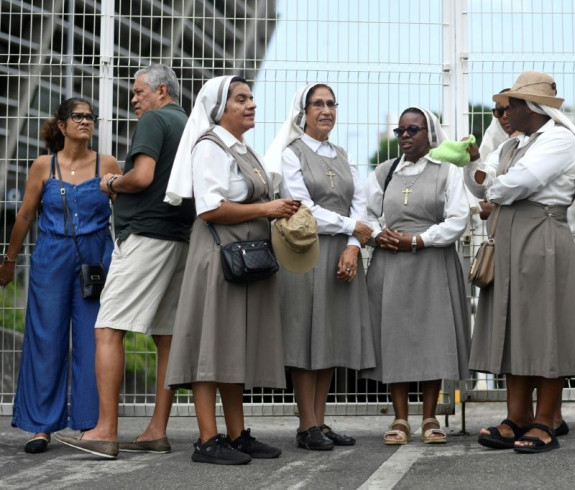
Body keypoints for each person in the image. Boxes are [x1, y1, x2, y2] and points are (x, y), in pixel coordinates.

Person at [464, 71, 575, 453]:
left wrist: (493, 185)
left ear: (531, 106)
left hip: (542, 234)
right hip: (513, 236)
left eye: (511, 104)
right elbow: (482, 183)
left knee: (546, 328)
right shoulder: (514, 144)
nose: (504, 113)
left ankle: (546, 420)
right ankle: (517, 416)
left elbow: (518, 184)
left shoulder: (561, 140)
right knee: (514, 325)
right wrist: (477, 168)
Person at [56, 64, 196, 459]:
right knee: (165, 336)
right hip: (180, 237)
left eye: (138, 92)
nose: (133, 100)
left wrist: (111, 183)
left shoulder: (155, 119)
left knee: (108, 328)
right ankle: (155, 430)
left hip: (146, 235)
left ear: (161, 91)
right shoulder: (189, 123)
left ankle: (104, 431)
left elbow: (143, 176)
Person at [164, 76, 297, 465]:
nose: (251, 104)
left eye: (251, 97)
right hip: (219, 255)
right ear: (219, 109)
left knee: (231, 344)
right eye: (241, 99)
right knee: (211, 345)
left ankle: (237, 434)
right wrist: (267, 209)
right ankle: (207, 440)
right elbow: (209, 207)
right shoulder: (210, 147)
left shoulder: (240, 147)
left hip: (241, 255)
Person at [1, 98, 119, 454]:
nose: (85, 121)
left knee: (92, 340)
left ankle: (90, 425)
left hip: (95, 260)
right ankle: (40, 426)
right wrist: (8, 260)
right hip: (51, 257)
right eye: (78, 116)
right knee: (45, 338)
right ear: (62, 124)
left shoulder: (107, 163)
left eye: (89, 117)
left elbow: (125, 211)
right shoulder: (42, 166)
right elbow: (23, 217)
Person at [264, 83, 374, 451]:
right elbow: (302, 206)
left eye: (331, 104)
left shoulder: (342, 154)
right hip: (304, 252)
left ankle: (321, 422)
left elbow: (361, 203)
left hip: (341, 251)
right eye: (318, 104)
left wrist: (354, 247)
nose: (326, 110)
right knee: (304, 335)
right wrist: (350, 228)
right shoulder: (291, 153)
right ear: (303, 111)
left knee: (328, 336)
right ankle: (305, 423)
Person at [364, 107, 470, 445]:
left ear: (430, 133)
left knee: (431, 337)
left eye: (413, 129)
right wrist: (379, 234)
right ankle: (399, 418)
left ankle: (429, 417)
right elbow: (366, 211)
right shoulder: (385, 172)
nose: (405, 136)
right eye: (400, 131)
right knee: (394, 337)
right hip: (391, 260)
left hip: (431, 260)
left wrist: (419, 239)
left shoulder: (448, 172)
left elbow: (457, 219)